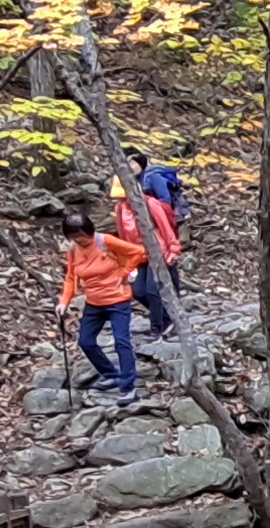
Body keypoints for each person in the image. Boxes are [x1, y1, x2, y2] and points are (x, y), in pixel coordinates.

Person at [52, 209, 147, 394]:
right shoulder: (74, 251)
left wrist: (124, 271)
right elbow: (71, 278)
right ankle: (110, 374)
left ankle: (128, 384)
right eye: (74, 237)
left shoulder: (104, 241)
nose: (79, 240)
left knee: (121, 341)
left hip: (118, 300)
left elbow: (139, 252)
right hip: (94, 302)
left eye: (82, 236)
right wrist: (64, 302)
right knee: (85, 341)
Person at [102, 168, 183, 335]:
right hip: (139, 255)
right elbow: (124, 235)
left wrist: (173, 249)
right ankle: (167, 316)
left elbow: (166, 227)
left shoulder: (150, 203)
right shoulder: (121, 208)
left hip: (158, 251)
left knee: (153, 291)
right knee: (138, 291)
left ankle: (158, 326)